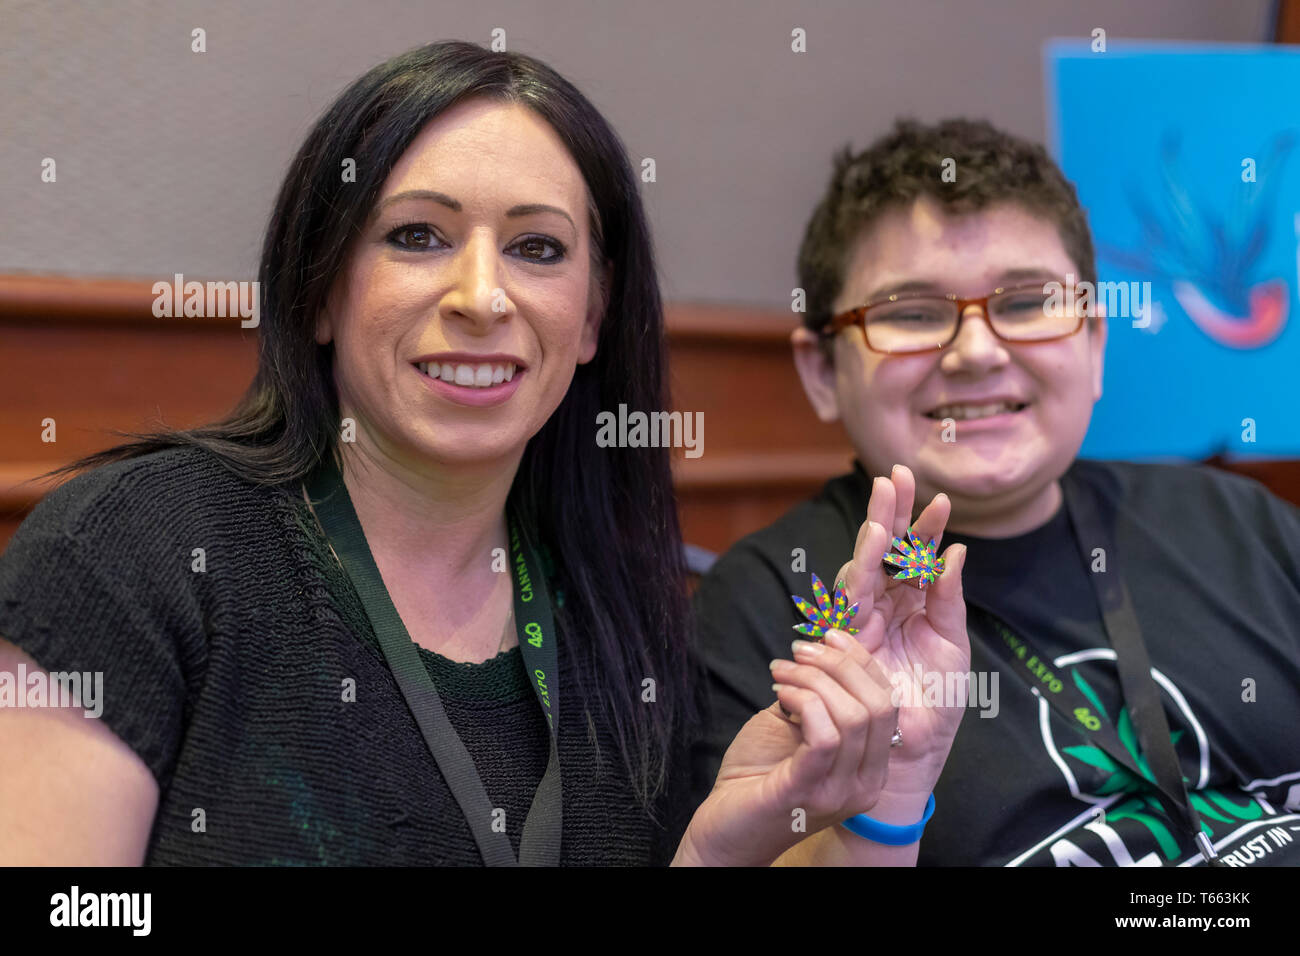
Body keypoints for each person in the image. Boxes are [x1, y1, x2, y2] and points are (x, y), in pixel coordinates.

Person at [0, 42, 966, 867]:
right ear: (319, 291)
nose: (482, 297)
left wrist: (753, 837)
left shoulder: (628, 620)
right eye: (416, 236)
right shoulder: (135, 551)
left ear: (591, 316)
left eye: (537, 249)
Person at [691, 118, 1300, 867]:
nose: (976, 352)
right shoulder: (768, 609)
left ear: (1095, 340)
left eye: (1025, 303)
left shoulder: (1241, 523)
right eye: (911, 314)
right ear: (821, 371)